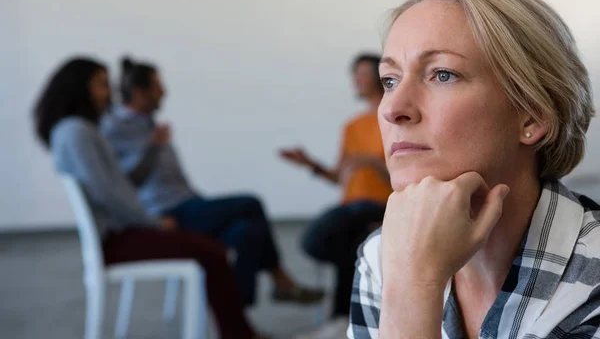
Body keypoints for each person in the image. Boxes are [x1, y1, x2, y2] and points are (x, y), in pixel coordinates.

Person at [349, 0, 600, 339]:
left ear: (531, 114)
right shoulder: (380, 257)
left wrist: (413, 288)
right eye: (390, 80)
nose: (392, 109)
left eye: (442, 74)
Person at [33, 57, 267, 339]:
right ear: (76, 88)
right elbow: (109, 193)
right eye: (100, 85)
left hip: (120, 233)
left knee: (227, 238)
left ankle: (240, 327)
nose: (108, 93)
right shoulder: (78, 132)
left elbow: (119, 185)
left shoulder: (75, 130)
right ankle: (239, 333)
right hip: (117, 239)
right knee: (213, 251)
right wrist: (153, 223)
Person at [100, 57, 324, 307]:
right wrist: (152, 147)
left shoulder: (146, 123)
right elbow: (125, 181)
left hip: (188, 203)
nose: (164, 92)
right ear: (140, 92)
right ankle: (280, 281)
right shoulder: (116, 127)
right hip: (168, 213)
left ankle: (239, 323)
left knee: (246, 232)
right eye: (158, 86)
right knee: (250, 203)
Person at [279, 54, 392, 333]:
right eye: (354, 74)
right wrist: (311, 165)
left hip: (382, 204)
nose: (357, 80)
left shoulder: (394, 116)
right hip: (352, 208)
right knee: (351, 247)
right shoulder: (352, 126)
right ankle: (345, 318)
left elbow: (406, 173)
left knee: (317, 237)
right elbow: (340, 176)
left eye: (362, 73)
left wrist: (371, 162)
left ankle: (342, 317)